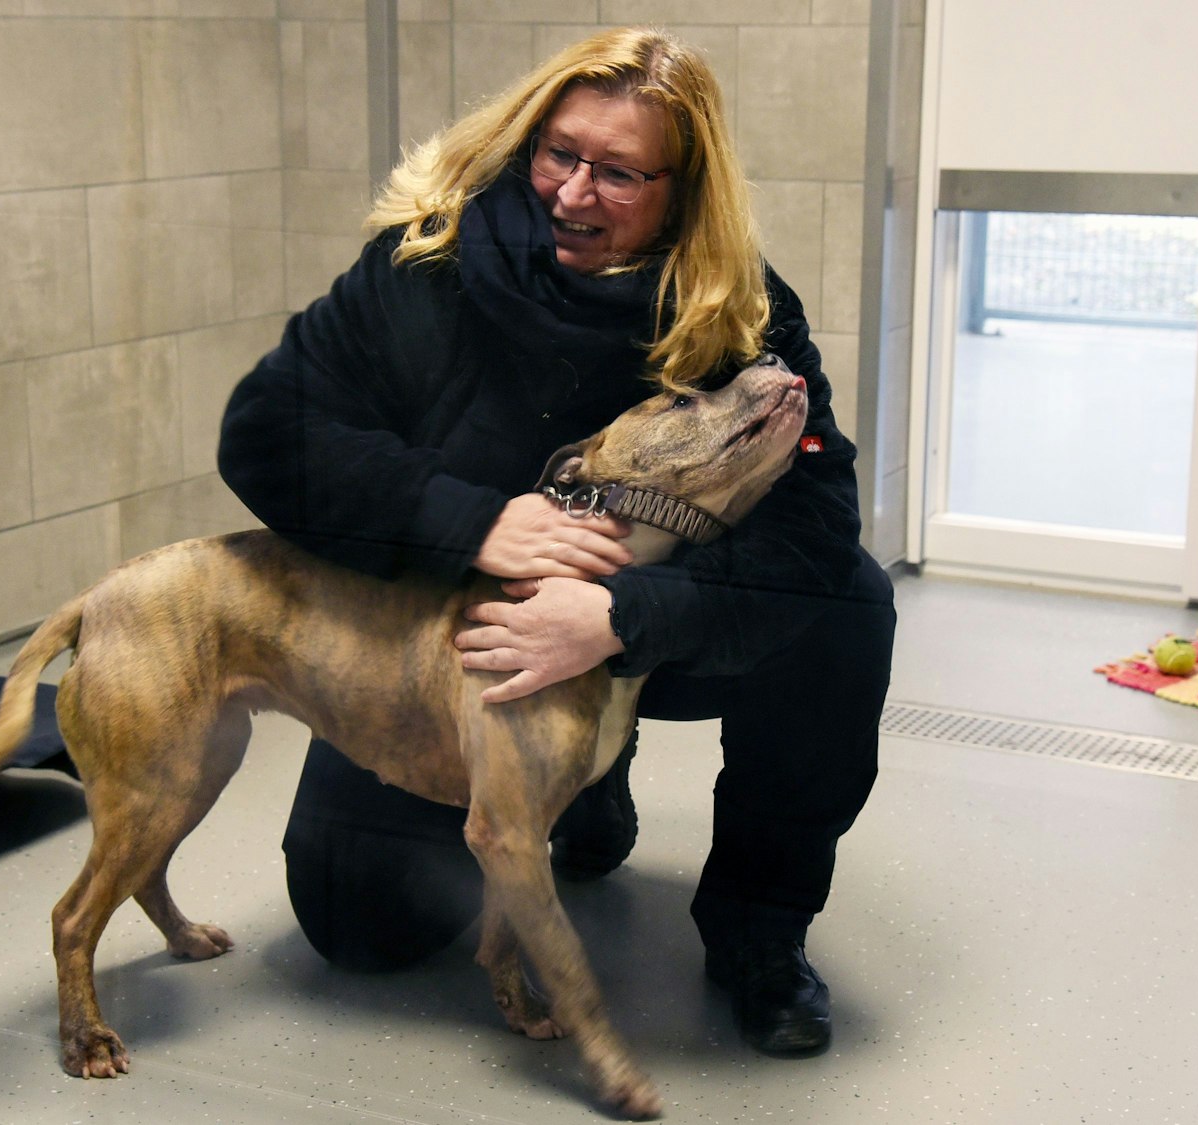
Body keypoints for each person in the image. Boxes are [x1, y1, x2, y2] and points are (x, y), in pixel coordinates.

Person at [217, 26, 895, 1056]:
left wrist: (618, 617)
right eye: (558, 155)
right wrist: (471, 520)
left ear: (681, 191)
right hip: (454, 643)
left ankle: (760, 930)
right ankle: (579, 787)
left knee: (846, 608)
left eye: (619, 173)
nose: (572, 195)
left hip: (653, 634)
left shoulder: (737, 311)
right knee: (360, 929)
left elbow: (813, 530)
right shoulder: (424, 267)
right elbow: (268, 433)